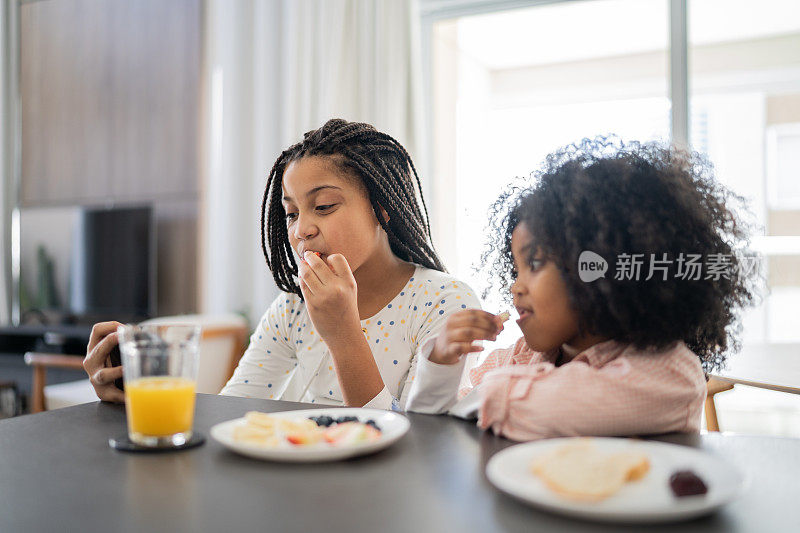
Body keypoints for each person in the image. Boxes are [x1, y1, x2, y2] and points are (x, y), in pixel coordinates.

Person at [83, 119, 481, 409]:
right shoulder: (293, 309)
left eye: (323, 207)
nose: (301, 230)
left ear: (382, 209)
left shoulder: (442, 303)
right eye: (291, 214)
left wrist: (343, 334)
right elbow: (232, 410)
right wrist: (136, 388)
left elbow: (418, 449)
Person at [406, 137, 759, 440]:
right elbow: (434, 431)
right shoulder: (520, 357)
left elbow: (505, 406)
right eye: (515, 269)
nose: (515, 287)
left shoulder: (668, 372)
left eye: (535, 263)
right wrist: (440, 362)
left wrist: (483, 395)